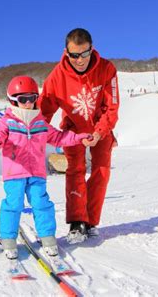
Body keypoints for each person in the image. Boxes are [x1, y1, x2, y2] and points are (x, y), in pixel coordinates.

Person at [0, 76, 91, 260]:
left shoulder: (40, 123)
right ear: (12, 100)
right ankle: (8, 238)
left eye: (32, 98)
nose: (28, 103)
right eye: (22, 99)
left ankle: (47, 236)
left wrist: (78, 138)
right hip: (14, 173)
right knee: (13, 204)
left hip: (36, 173)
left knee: (42, 204)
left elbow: (58, 138)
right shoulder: (7, 122)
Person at [39, 28, 120, 244]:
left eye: (84, 54)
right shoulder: (57, 76)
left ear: (91, 49)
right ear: (66, 53)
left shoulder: (107, 69)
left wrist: (99, 132)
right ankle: (77, 222)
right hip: (73, 129)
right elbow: (43, 110)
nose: (80, 60)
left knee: (101, 172)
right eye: (74, 55)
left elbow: (111, 107)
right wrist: (31, 132)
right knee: (75, 170)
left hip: (99, 128)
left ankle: (91, 221)